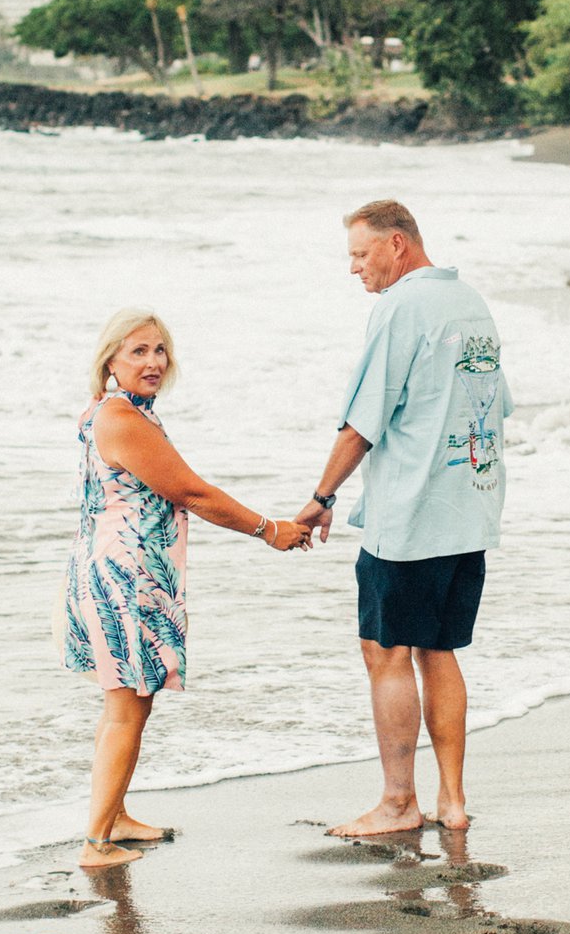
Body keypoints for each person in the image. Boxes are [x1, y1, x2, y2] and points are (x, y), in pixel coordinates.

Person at [294, 201, 509, 843]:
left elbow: (365, 418)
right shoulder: (472, 304)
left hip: (411, 515)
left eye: (361, 255)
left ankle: (397, 804)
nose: (355, 270)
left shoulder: (399, 308)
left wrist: (322, 495)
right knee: (438, 652)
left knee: (386, 653)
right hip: (469, 509)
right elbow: (496, 406)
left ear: (397, 244)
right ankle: (454, 801)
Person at [62, 309, 306, 869]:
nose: (152, 362)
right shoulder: (122, 420)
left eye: (159, 351)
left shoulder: (118, 413)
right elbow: (194, 493)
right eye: (138, 352)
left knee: (129, 705)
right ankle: (96, 842)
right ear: (111, 362)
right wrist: (268, 529)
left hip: (122, 572)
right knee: (127, 707)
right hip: (125, 581)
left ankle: (115, 815)